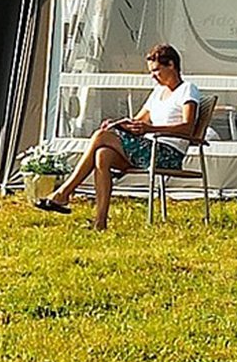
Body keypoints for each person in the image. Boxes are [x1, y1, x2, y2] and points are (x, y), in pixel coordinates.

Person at [35, 42, 202, 230]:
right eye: (151, 72)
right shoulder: (158, 93)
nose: (153, 77)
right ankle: (100, 221)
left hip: (166, 154)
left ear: (171, 65)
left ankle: (64, 192)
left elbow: (188, 127)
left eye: (156, 71)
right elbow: (138, 121)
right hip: (148, 148)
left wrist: (150, 130)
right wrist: (118, 123)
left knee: (100, 136)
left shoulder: (187, 89)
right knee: (102, 155)